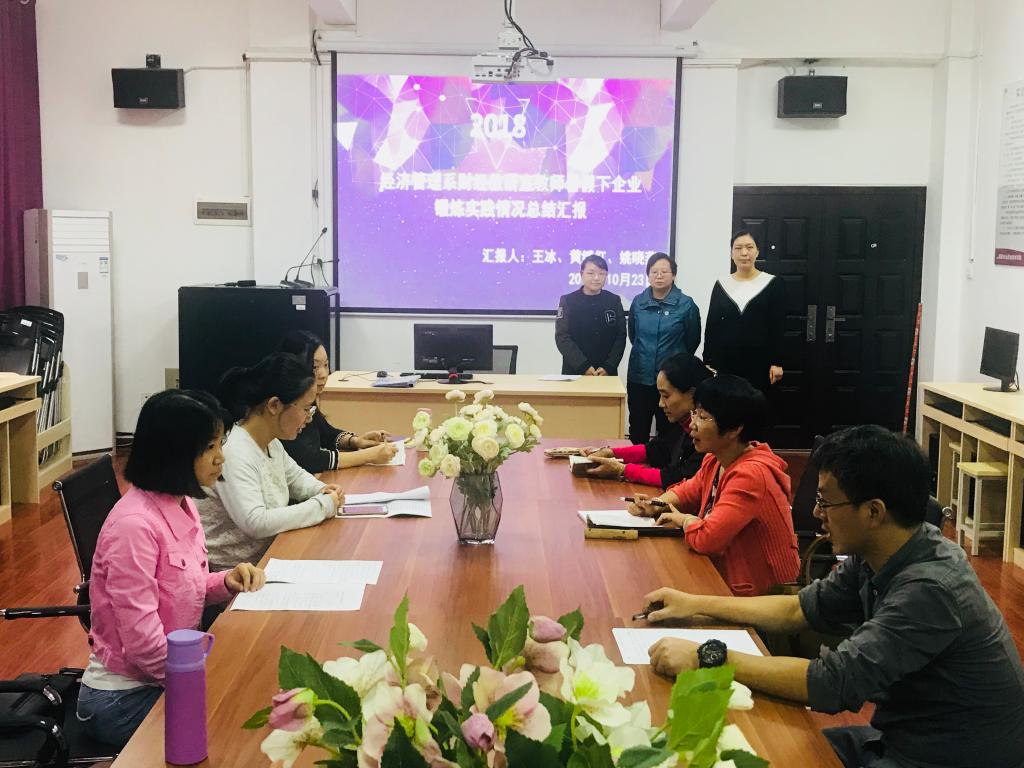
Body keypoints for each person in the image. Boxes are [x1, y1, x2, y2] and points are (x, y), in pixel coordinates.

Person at [642, 426, 1024, 768]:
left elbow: (831, 682)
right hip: (899, 740)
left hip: (945, 756)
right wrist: (696, 603)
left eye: (826, 502)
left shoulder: (930, 589)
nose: (815, 512)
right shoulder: (882, 550)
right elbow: (799, 608)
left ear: (873, 512)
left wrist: (707, 657)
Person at [76, 390, 266, 747]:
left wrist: (226, 581)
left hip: (165, 676)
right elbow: (143, 645)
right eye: (209, 447)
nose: (221, 457)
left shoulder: (181, 503)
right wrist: (205, 680)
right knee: (236, 724)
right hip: (123, 699)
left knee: (251, 699)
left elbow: (184, 588)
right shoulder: (134, 526)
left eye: (220, 444)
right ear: (175, 452)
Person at [628, 374, 799, 595]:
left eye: (703, 417)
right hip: (724, 574)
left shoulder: (751, 475)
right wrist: (656, 504)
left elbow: (707, 539)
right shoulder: (716, 459)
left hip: (762, 594)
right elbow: (687, 491)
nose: (693, 424)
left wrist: (684, 519)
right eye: (695, 413)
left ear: (734, 429)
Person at [198, 353, 344, 571]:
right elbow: (255, 522)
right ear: (274, 405)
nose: (309, 418)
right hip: (233, 573)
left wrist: (322, 489)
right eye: (306, 409)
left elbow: (296, 478)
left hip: (268, 557)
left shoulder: (270, 443)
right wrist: (322, 506)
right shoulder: (234, 451)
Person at [579, 353, 712, 489]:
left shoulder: (707, 437)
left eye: (666, 396)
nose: (660, 403)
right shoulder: (681, 423)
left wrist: (622, 470)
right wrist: (610, 453)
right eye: (660, 395)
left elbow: (678, 478)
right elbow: (657, 449)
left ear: (692, 394)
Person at [277, 330, 397, 472]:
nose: (323, 374)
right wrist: (368, 456)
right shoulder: (286, 404)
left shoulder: (307, 398)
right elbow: (309, 459)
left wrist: (356, 441)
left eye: (326, 365)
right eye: (315, 367)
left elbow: (326, 433)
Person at [626, 252, 701, 444]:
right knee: (638, 428)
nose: (659, 276)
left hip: (672, 381)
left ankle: (666, 464)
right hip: (640, 377)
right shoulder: (638, 303)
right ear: (648, 275)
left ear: (673, 275)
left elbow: (692, 341)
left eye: (664, 272)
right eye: (654, 272)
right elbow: (633, 336)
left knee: (670, 432)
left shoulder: (687, 305)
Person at [703, 230, 785, 394]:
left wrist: (778, 362)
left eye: (749, 247)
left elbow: (778, 326)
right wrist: (708, 360)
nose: (744, 253)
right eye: (738, 248)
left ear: (757, 251)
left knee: (757, 404)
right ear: (732, 254)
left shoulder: (772, 283)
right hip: (726, 362)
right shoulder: (721, 284)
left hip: (761, 362)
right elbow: (712, 325)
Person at [554, 254, 627, 376]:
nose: (596, 278)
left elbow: (621, 336)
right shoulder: (568, 301)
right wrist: (583, 366)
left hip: (606, 372)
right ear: (581, 274)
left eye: (601, 274)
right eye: (591, 273)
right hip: (575, 371)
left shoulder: (613, 300)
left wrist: (609, 366)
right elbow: (562, 337)